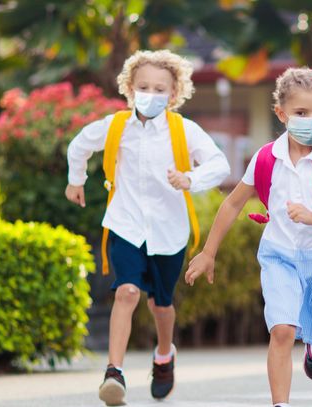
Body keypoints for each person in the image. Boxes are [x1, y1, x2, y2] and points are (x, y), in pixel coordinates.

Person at [184, 67, 312, 407]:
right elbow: (232, 204)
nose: (311, 120)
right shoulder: (266, 158)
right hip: (280, 255)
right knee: (282, 330)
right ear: (282, 113)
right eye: (301, 113)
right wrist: (209, 252)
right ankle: (280, 404)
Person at [65, 50, 231, 406]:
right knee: (126, 292)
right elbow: (79, 145)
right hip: (125, 224)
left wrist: (190, 178)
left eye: (160, 89)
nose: (151, 94)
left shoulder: (183, 130)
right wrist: (75, 180)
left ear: (173, 94)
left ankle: (164, 355)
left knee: (160, 304)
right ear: (129, 88)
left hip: (169, 231)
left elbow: (219, 163)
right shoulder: (115, 126)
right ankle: (114, 373)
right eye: (143, 86)